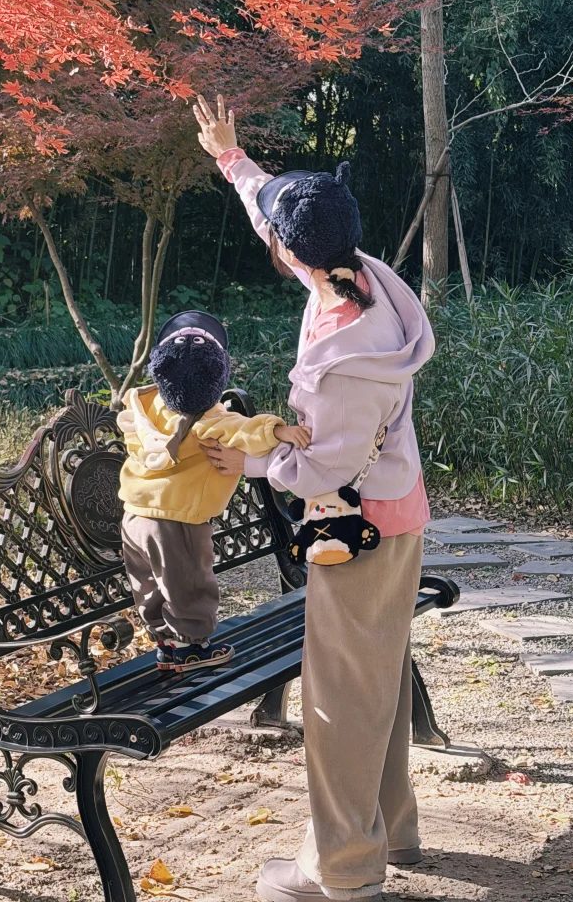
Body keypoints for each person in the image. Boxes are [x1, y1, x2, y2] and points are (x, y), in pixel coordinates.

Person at [192, 94, 436, 902]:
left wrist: (249, 460)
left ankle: (340, 871)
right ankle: (391, 831)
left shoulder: (348, 358)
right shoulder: (355, 268)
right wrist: (230, 158)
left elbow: (325, 466)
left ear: (298, 256)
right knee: (376, 676)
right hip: (395, 505)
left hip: (360, 523)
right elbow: (275, 210)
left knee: (339, 696)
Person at [119, 309, 311, 674]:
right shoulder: (212, 420)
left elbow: (128, 426)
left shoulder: (143, 409)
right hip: (178, 520)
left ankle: (165, 643)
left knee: (150, 583)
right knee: (189, 584)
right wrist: (280, 430)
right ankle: (192, 647)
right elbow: (248, 432)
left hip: (134, 517)